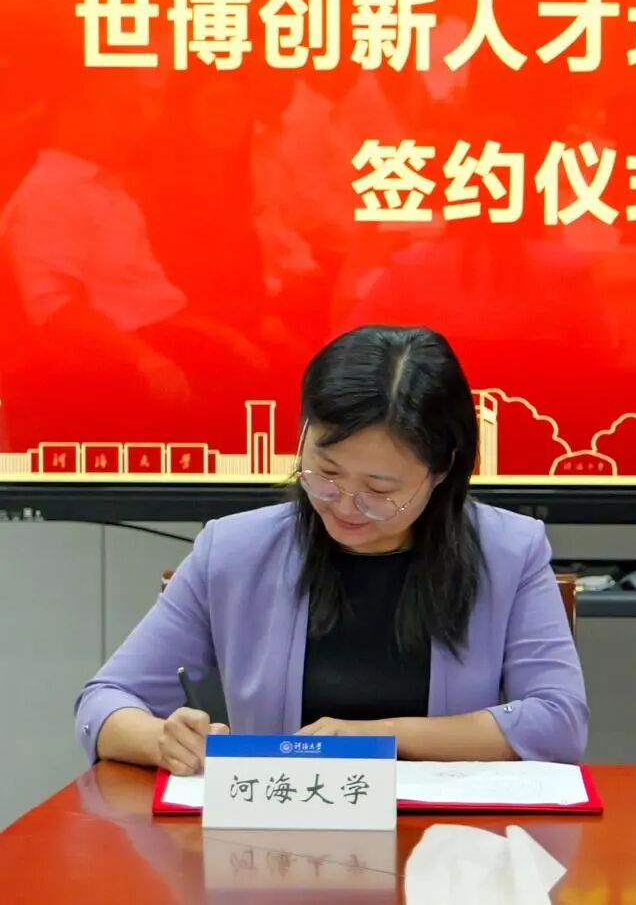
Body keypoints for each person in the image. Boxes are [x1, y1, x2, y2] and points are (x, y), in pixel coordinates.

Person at [75, 325, 587, 774]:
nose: (345, 504)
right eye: (326, 473)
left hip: (445, 841)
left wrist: (379, 737)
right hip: (277, 836)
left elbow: (559, 721)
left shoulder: (508, 552)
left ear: (443, 471)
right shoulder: (234, 551)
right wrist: (164, 740)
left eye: (380, 490)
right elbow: (105, 703)